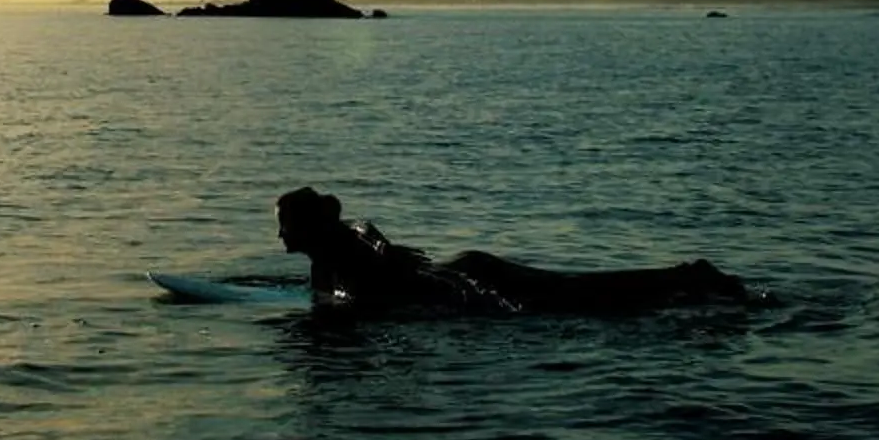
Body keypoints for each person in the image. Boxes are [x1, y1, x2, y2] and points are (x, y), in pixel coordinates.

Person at [274, 187, 750, 315]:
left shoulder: (345, 244)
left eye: (284, 226)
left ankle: (689, 277)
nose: (279, 237)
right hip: (462, 277)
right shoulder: (325, 262)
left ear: (308, 225)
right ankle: (685, 279)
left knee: (580, 297)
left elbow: (364, 230)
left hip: (474, 279)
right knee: (581, 296)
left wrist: (386, 251)